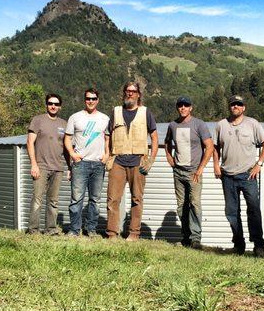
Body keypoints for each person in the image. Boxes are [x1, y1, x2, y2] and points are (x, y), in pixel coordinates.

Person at [213, 95, 264, 257]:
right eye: (233, 104)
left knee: (253, 210)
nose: (235, 107)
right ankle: (238, 245)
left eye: (239, 104)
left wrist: (258, 164)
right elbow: (215, 147)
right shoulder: (221, 125)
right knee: (232, 212)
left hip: (248, 176)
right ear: (229, 106)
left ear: (244, 107)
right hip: (228, 176)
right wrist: (216, 165)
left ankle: (258, 246)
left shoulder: (252, 124)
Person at [106, 81, 158, 241]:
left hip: (138, 161)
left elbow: (154, 137)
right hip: (118, 161)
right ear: (124, 93)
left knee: (137, 198)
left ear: (138, 95)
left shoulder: (146, 112)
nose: (130, 94)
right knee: (113, 199)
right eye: (127, 91)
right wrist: (108, 155)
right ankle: (112, 234)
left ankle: (134, 233)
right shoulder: (116, 112)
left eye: (133, 91)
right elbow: (108, 135)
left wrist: (151, 159)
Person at [165, 97, 214, 249]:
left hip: (194, 172)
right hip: (178, 172)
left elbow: (210, 147)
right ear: (177, 108)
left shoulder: (199, 124)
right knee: (181, 206)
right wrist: (170, 159)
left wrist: (200, 169)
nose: (183, 108)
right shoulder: (173, 125)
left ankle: (196, 239)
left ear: (191, 108)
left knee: (194, 204)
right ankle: (186, 237)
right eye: (180, 105)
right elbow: (167, 143)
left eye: (186, 105)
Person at [64, 88, 110, 237]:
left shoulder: (105, 118)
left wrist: (107, 155)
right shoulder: (75, 117)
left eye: (94, 98)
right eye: (88, 99)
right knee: (76, 199)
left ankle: (91, 229)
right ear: (84, 100)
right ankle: (74, 230)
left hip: (98, 164)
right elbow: (67, 139)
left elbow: (108, 139)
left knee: (95, 200)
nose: (91, 101)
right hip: (80, 163)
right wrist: (72, 154)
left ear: (98, 100)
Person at [26, 93, 69, 235]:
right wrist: (33, 164)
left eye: (56, 104)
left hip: (57, 168)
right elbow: (30, 142)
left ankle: (51, 229)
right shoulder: (38, 120)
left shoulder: (64, 124)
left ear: (60, 107)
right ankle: (33, 229)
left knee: (53, 201)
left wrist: (70, 167)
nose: (53, 106)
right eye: (51, 103)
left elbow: (67, 147)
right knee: (37, 199)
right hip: (41, 166)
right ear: (46, 104)